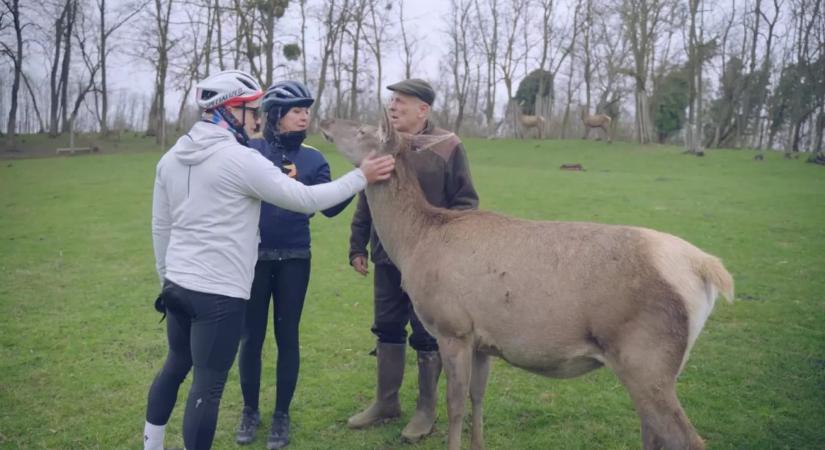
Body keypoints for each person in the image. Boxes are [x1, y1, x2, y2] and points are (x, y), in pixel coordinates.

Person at [143, 69, 394, 450]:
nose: (258, 118)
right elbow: (308, 200)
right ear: (231, 110)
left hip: (177, 284)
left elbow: (161, 227)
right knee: (207, 388)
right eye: (252, 111)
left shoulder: (171, 157)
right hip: (219, 294)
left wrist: (166, 276)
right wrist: (361, 175)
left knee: (174, 367)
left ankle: (152, 445)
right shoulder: (241, 159)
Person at [347, 78, 479, 442]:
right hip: (387, 256)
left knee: (427, 333)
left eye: (402, 101)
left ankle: (426, 409)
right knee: (387, 326)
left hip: (434, 267)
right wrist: (358, 245)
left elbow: (466, 202)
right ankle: (385, 402)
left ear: (423, 109)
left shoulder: (448, 147)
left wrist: (451, 250)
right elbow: (366, 197)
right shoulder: (381, 145)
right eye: (391, 99)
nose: (393, 106)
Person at [234, 80, 351, 449]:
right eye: (297, 111)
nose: (305, 116)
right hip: (252, 259)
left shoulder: (315, 160)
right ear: (277, 116)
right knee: (250, 339)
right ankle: (250, 411)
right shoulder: (250, 150)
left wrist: (358, 180)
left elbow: (330, 208)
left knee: (288, 339)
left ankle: (281, 416)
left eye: (306, 110)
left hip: (295, 260)